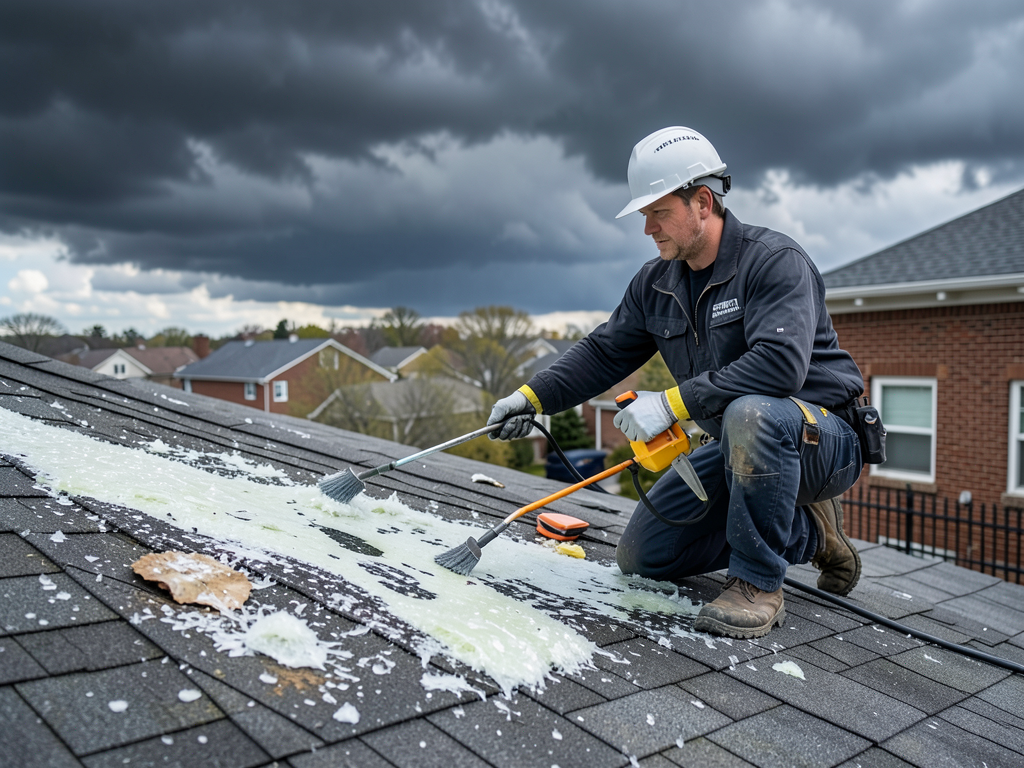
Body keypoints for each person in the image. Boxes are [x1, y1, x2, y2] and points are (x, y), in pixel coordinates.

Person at [487, 126, 866, 639]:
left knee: (751, 412)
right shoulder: (656, 283)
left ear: (703, 202)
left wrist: (670, 404)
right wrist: (530, 398)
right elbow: (604, 350)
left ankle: (758, 584)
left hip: (820, 440)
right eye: (645, 216)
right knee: (643, 555)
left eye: (658, 213)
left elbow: (780, 366)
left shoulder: (775, 264)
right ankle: (810, 531)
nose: (648, 229)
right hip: (740, 444)